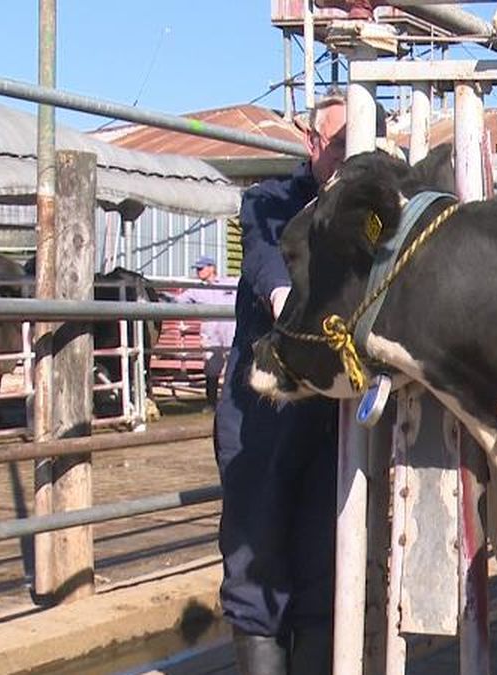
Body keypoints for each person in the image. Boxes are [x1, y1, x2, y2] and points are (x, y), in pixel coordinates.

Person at [214, 94, 355, 675]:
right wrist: (286, 302)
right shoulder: (270, 202)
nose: (350, 158)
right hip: (263, 419)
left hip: (330, 423)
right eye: (341, 144)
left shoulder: (370, 213)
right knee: (257, 563)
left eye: (362, 146)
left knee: (323, 569)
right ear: (313, 143)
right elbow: (268, 264)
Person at [170, 255, 235, 409]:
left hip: (231, 332)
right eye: (198, 269)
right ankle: (211, 403)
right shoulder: (196, 290)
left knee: (234, 366)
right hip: (211, 335)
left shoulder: (230, 283)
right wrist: (163, 298)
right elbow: (178, 301)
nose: (199, 271)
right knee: (212, 369)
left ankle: (232, 403)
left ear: (212, 268)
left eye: (201, 268)